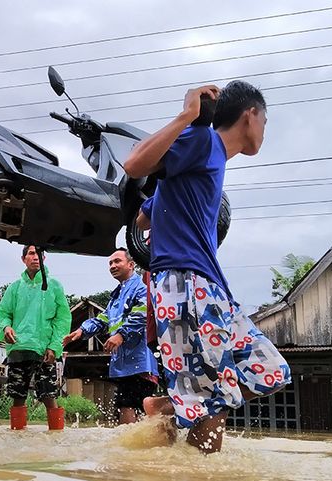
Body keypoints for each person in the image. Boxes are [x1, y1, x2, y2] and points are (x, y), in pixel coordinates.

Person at [123, 81, 291, 453]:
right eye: (265, 120)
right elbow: (134, 164)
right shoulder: (203, 141)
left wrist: (163, 199)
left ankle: (166, 406)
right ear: (250, 115)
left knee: (271, 371)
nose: (264, 129)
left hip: (211, 288)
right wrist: (187, 116)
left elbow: (142, 220)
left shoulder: (207, 162)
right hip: (185, 285)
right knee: (211, 399)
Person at [63, 249, 158, 425]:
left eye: (117, 261)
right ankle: (140, 447)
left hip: (140, 362)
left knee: (130, 405)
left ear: (131, 265)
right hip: (124, 364)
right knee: (133, 406)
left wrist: (122, 334)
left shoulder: (140, 288)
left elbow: (143, 313)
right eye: (110, 263)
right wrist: (82, 331)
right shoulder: (116, 297)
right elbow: (102, 319)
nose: (113, 266)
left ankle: (133, 449)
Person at [0, 246, 71, 431]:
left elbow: (62, 319)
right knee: (17, 395)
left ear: (44, 257)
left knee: (48, 395)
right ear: (23, 259)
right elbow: (4, 312)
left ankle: (56, 436)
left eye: (39, 254)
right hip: (18, 348)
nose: (35, 257)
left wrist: (54, 346)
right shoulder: (14, 288)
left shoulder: (54, 286)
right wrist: (6, 327)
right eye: (31, 253)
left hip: (44, 349)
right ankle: (17, 436)